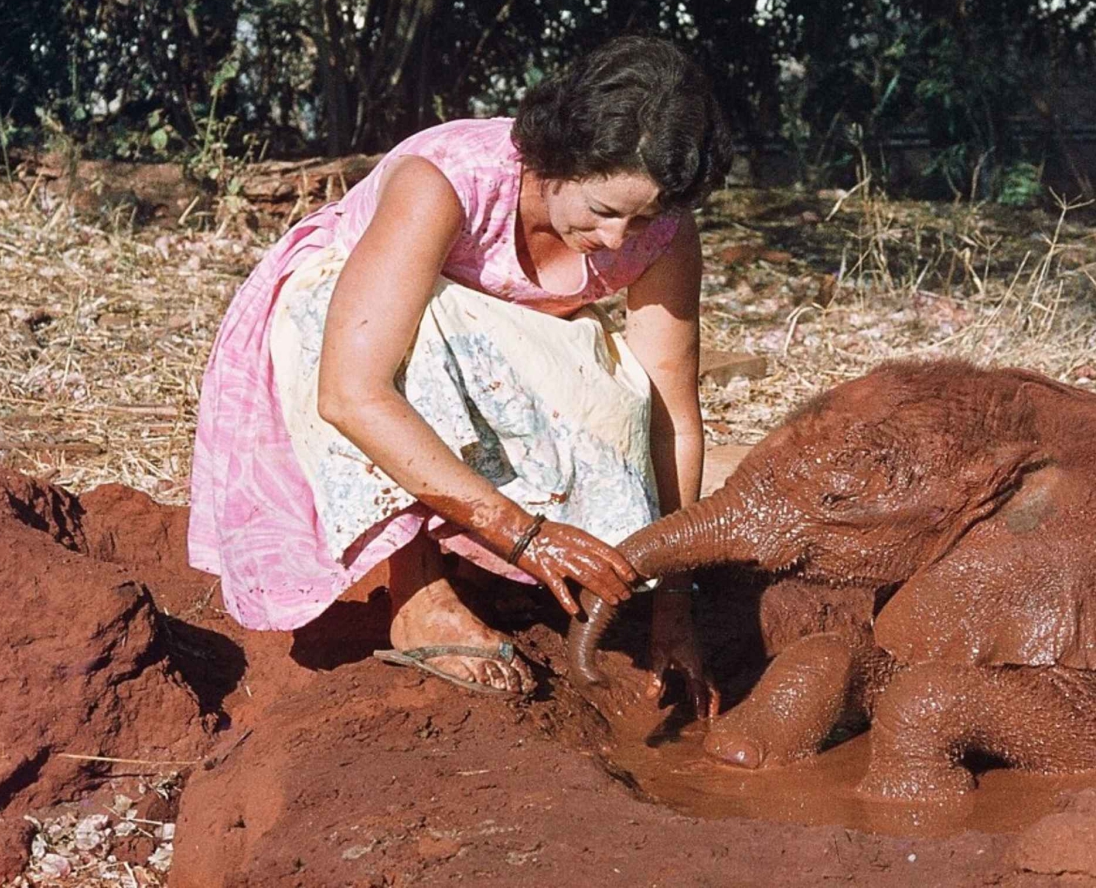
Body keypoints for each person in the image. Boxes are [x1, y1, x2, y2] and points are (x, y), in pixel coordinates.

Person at [188, 36, 730, 712]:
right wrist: (525, 535)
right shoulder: (446, 182)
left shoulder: (664, 234)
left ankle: (490, 564)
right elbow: (351, 393)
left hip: (485, 344)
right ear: (560, 159)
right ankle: (418, 593)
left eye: (643, 218)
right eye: (604, 212)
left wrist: (673, 603)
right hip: (349, 339)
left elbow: (671, 416)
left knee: (621, 390)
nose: (620, 239)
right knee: (396, 325)